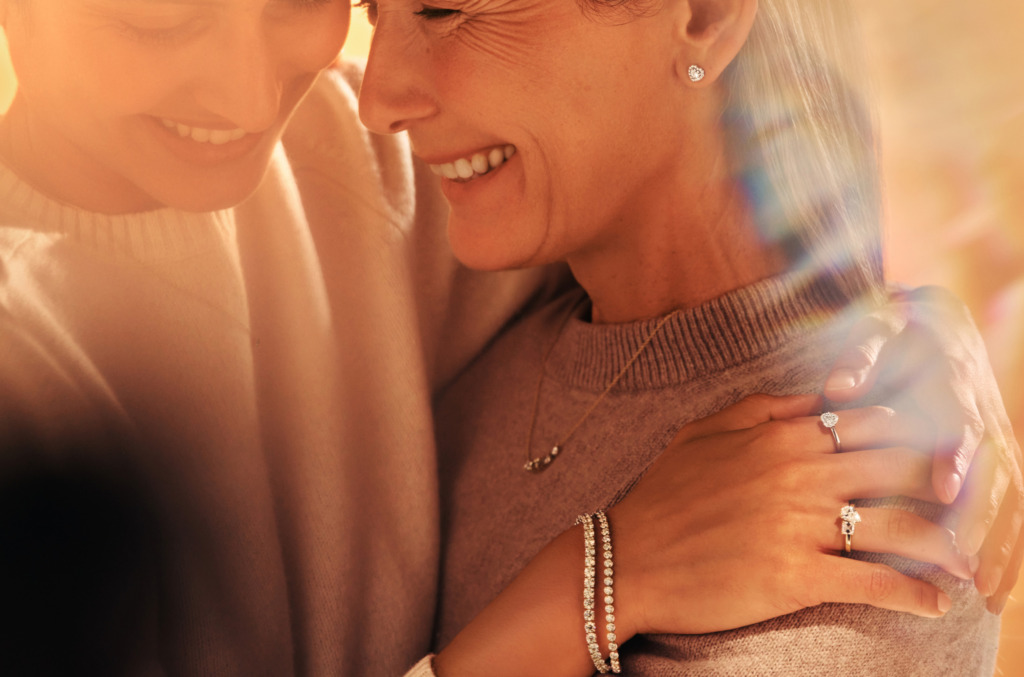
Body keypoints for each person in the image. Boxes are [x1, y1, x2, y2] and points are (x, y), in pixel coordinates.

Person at [0, 1, 1018, 676]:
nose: (244, 92)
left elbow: (691, 189)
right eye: (153, 19)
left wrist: (918, 349)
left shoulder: (378, 168)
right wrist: (587, 579)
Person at [356, 0, 1022, 674]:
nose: (375, 101)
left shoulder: (875, 503)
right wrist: (599, 573)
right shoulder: (473, 371)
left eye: (442, 9)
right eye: (370, 8)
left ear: (706, 15)